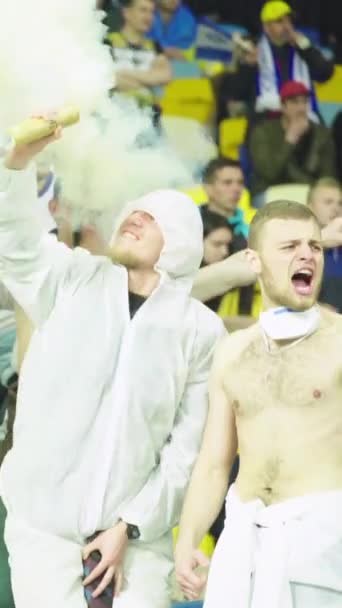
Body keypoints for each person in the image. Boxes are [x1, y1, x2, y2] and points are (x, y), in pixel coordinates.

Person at [0, 127, 224, 608]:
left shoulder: (201, 332)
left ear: (181, 241)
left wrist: (130, 525)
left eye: (151, 219)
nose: (133, 221)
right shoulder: (71, 277)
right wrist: (15, 164)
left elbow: (186, 451)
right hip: (43, 531)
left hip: (140, 543)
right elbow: (13, 241)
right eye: (132, 214)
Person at [175, 199, 342, 607]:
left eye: (315, 246)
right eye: (289, 247)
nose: (306, 254)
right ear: (253, 260)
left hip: (323, 542)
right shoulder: (231, 352)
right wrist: (189, 539)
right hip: (242, 543)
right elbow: (214, 464)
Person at [249, 80, 337, 199]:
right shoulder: (263, 132)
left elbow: (328, 176)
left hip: (310, 194)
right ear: (283, 106)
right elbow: (268, 173)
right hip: (271, 191)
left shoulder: (321, 134)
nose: (301, 108)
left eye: (305, 102)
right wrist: (289, 140)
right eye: (294, 102)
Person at [256, 0, 334, 122]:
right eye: (279, 21)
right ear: (266, 27)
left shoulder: (302, 47)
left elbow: (325, 73)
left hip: (305, 114)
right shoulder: (256, 51)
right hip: (269, 118)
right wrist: (247, 66)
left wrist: (304, 46)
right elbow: (236, 92)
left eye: (288, 20)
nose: (287, 26)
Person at [107, 0, 172, 121]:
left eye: (151, 12)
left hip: (148, 116)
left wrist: (123, 74)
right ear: (127, 13)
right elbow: (106, 78)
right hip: (115, 116)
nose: (148, 17)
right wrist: (148, 80)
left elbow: (165, 76)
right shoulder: (109, 42)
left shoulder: (155, 46)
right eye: (143, 10)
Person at [308, 177, 342, 312]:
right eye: (328, 202)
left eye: (340, 203)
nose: (336, 208)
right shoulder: (295, 246)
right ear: (310, 207)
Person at [200, 157, 249, 240]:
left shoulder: (251, 231)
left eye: (240, 182)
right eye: (227, 182)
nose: (236, 189)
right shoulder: (194, 227)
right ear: (208, 188)